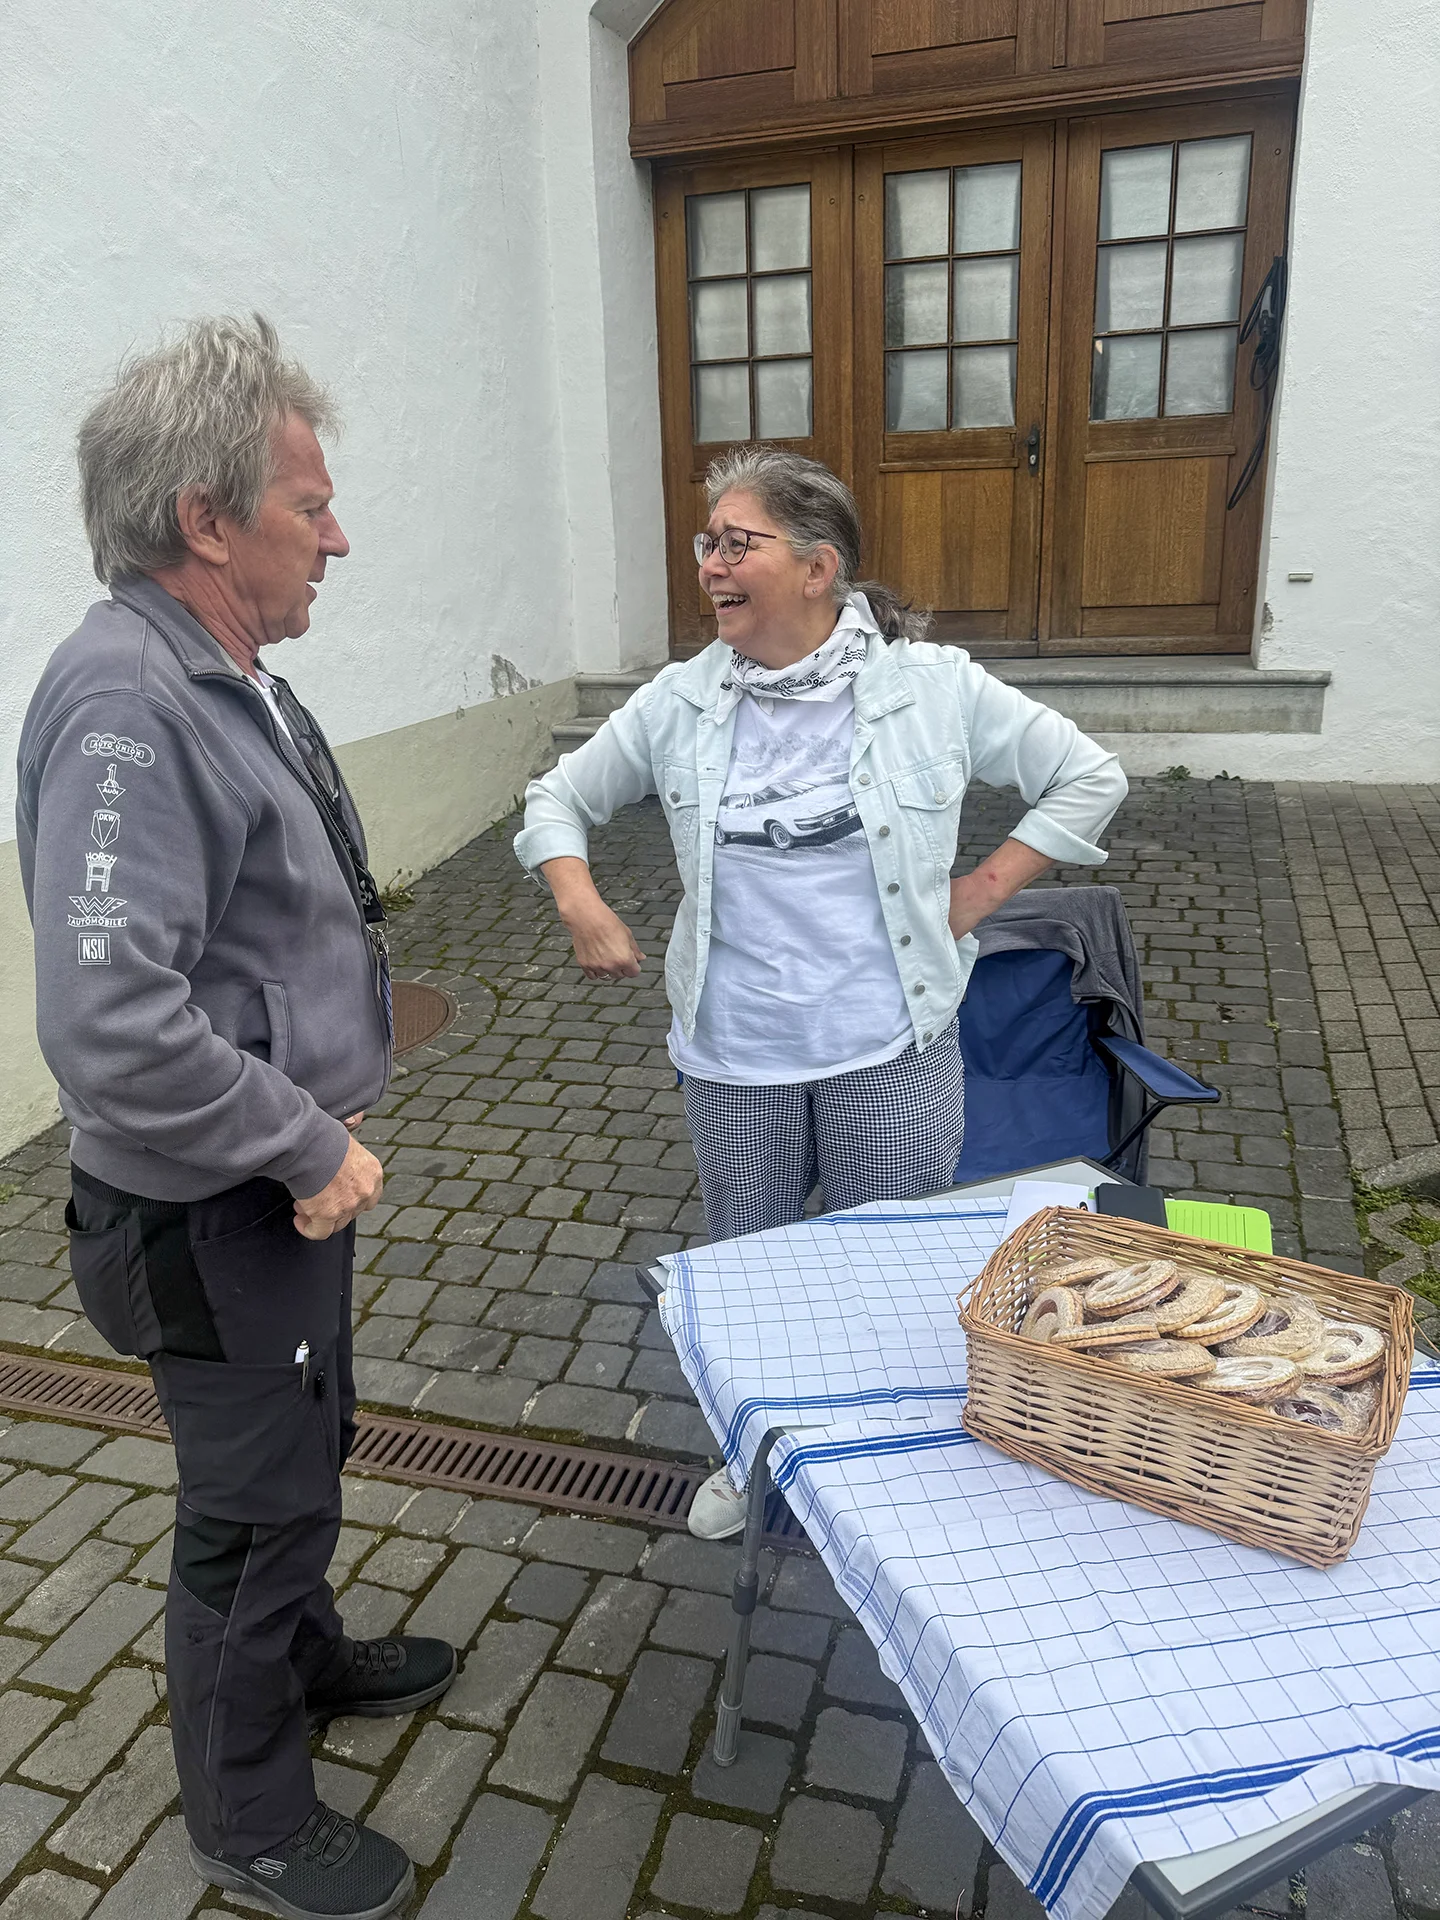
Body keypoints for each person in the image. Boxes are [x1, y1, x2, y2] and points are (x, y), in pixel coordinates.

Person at [17, 315, 454, 1920]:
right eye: (308, 505)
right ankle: (247, 1816)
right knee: (251, 1508)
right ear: (206, 519)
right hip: (211, 1213)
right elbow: (111, 1023)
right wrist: (308, 1141)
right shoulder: (129, 703)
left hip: (264, 1201)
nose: (336, 538)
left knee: (302, 1451)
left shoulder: (224, 674)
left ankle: (304, 1658)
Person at [515, 445, 1128, 1540]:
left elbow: (1088, 775)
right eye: (706, 543)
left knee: (881, 1274)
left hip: (888, 1044)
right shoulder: (680, 703)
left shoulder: (932, 690)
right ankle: (752, 1453)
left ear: (817, 566)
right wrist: (580, 900)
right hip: (734, 1053)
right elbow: (557, 798)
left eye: (735, 543)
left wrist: (981, 891)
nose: (709, 564)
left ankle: (872, 1469)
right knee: (751, 1273)